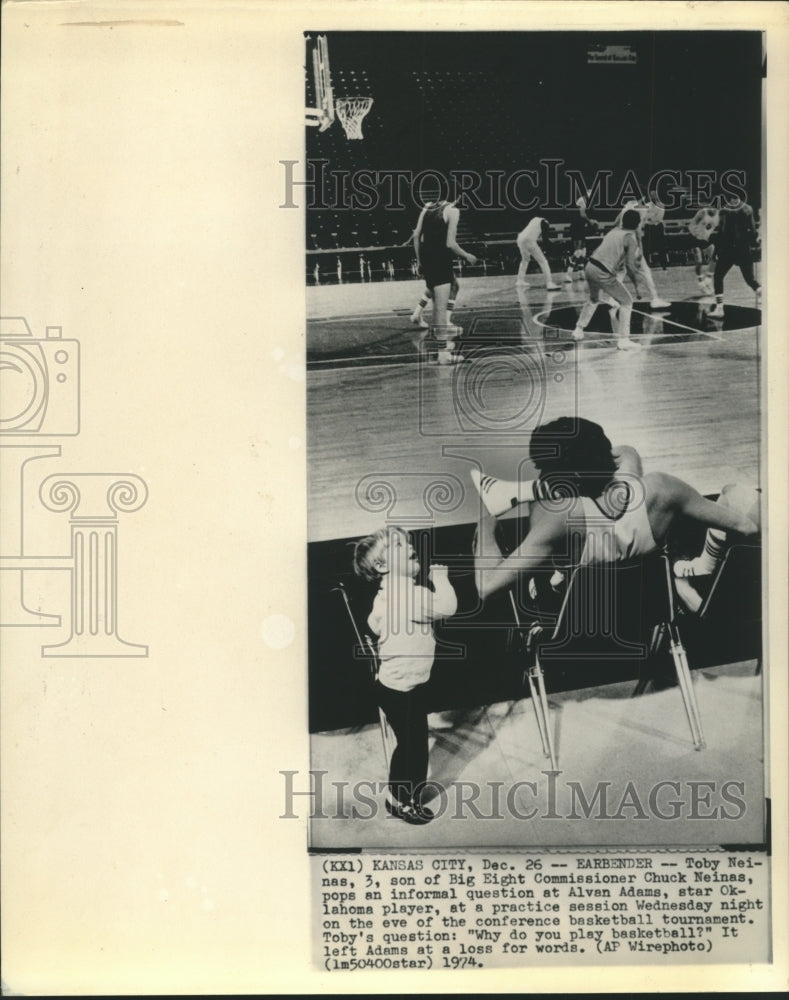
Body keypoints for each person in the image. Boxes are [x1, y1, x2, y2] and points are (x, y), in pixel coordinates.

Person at [472, 417, 759, 603]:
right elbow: (747, 528)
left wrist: (486, 519)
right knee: (733, 492)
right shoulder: (663, 488)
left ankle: (557, 576)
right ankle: (695, 573)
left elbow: (486, 586)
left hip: (579, 615)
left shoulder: (558, 517)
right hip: (650, 606)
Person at [353, 525, 459, 825]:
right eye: (398, 545)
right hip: (403, 688)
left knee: (410, 743)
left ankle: (403, 795)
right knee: (413, 749)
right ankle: (400, 800)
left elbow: (373, 624)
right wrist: (440, 578)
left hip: (394, 684)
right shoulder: (412, 596)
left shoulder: (386, 596)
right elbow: (448, 606)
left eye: (407, 542)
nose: (410, 546)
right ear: (382, 565)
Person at [413, 200, 477, 363]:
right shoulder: (453, 211)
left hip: (427, 257)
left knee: (445, 295)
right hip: (440, 259)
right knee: (440, 309)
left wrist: (420, 262)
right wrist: (467, 255)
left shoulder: (428, 206)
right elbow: (450, 244)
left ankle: (442, 342)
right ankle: (443, 354)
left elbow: (416, 235)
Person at [572, 209, 643, 350]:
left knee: (593, 300)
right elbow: (630, 266)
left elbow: (618, 221)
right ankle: (624, 340)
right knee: (627, 301)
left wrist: (625, 210)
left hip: (590, 267)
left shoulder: (614, 231)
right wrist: (637, 286)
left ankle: (578, 330)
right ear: (638, 223)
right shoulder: (630, 238)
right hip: (602, 272)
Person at [708, 194, 761, 318]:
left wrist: (716, 251)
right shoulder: (748, 208)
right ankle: (763, 295)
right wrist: (752, 244)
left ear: (729, 198)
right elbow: (752, 231)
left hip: (729, 249)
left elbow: (722, 231)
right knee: (750, 279)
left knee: (718, 276)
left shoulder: (725, 209)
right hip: (744, 248)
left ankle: (720, 309)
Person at [614, 198, 671, 310]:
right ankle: (654, 299)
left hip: (620, 240)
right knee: (646, 271)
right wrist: (641, 248)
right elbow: (638, 229)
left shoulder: (628, 204)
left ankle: (612, 299)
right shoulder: (641, 207)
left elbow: (615, 222)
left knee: (621, 272)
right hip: (631, 241)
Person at [516, 216, 561, 290]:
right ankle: (549, 283)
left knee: (525, 260)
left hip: (520, 239)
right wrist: (553, 246)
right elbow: (545, 241)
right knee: (543, 261)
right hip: (529, 240)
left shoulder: (535, 219)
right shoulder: (546, 223)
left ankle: (520, 280)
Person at [563, 197, 600, 283]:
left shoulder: (583, 201)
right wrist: (590, 221)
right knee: (579, 252)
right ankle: (568, 273)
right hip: (577, 228)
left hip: (579, 227)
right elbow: (582, 215)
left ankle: (581, 273)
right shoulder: (582, 200)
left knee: (583, 252)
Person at [687, 206, 719, 297]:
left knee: (715, 258)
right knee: (699, 262)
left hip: (705, 239)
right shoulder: (702, 212)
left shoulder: (719, 215)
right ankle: (701, 282)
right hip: (694, 238)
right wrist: (696, 234)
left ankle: (708, 280)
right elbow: (691, 225)